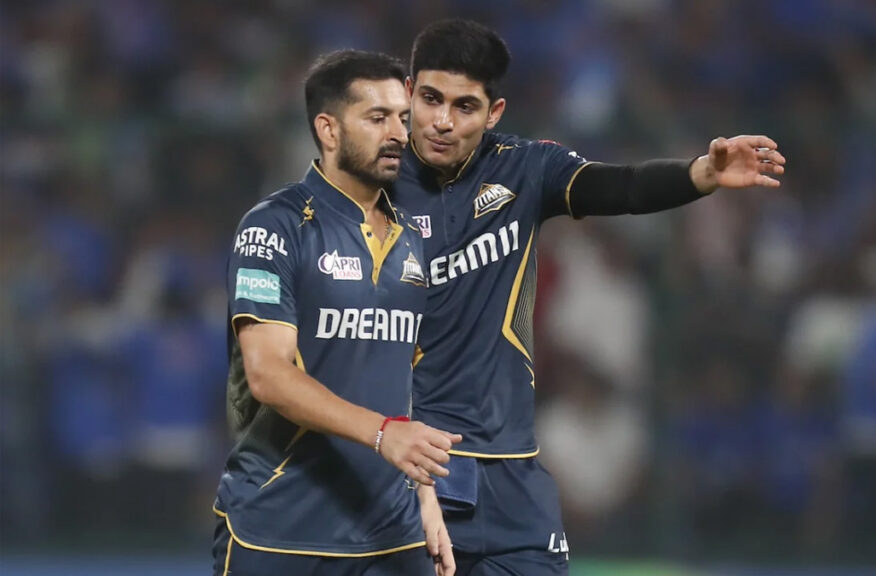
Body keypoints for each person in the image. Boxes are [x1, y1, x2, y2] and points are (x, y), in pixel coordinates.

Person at [393, 19, 786, 576]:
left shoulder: (526, 168)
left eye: (465, 106)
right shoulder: (367, 185)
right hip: (411, 469)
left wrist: (702, 173)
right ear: (408, 93)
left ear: (494, 112)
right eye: (431, 99)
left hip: (512, 472)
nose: (443, 121)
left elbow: (620, 186)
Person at [212, 49, 462, 576]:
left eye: (402, 118)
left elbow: (411, 380)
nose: (397, 134)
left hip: (393, 536)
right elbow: (268, 374)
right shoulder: (274, 227)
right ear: (328, 129)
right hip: (280, 530)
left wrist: (427, 496)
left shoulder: (415, 238)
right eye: (377, 118)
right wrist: (382, 433)